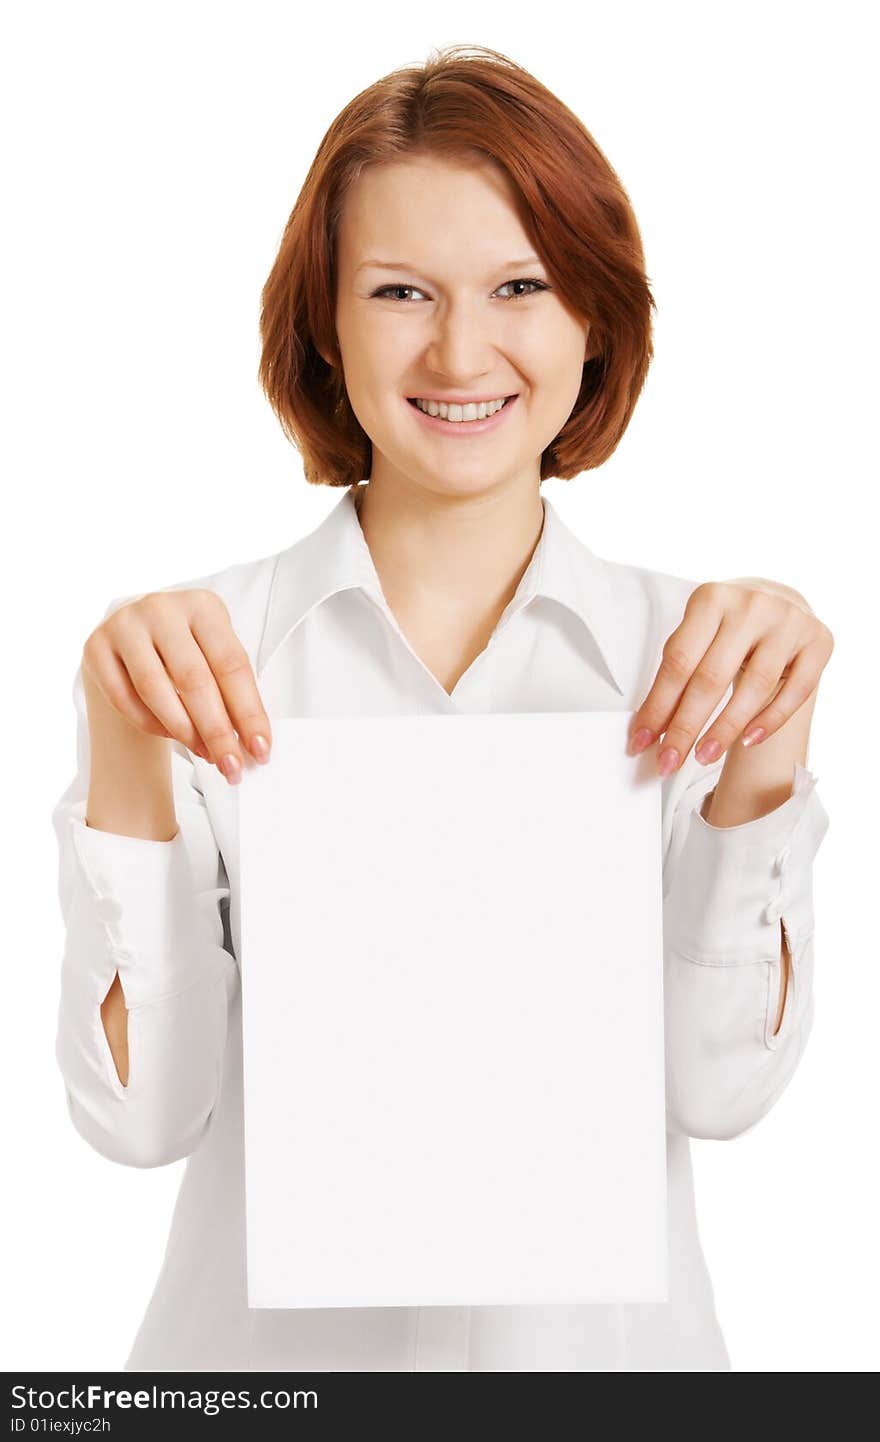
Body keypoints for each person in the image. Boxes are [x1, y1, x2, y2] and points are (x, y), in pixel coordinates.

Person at [51, 44, 833, 1372]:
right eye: (400, 291)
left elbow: (723, 1089)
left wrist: (771, 750)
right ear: (325, 325)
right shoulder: (197, 656)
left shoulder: (695, 651)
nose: (461, 349)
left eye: (519, 285)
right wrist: (125, 748)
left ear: (594, 318)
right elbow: (140, 1122)